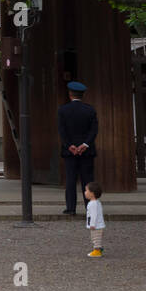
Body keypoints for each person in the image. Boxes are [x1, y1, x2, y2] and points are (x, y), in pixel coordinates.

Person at [59, 81, 98, 215]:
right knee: (87, 180)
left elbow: (62, 131)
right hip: (86, 152)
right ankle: (90, 208)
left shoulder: (63, 110)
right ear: (83, 95)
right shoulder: (90, 110)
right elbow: (93, 131)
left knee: (70, 180)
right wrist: (85, 145)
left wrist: (70, 145)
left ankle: (71, 208)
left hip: (70, 152)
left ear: (70, 94)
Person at [85, 181, 105, 257]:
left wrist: (92, 224)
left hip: (96, 226)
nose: (85, 192)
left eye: (86, 190)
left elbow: (94, 215)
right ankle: (98, 249)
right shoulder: (96, 202)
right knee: (95, 237)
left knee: (95, 238)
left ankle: (97, 251)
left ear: (92, 193)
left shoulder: (93, 204)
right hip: (98, 225)